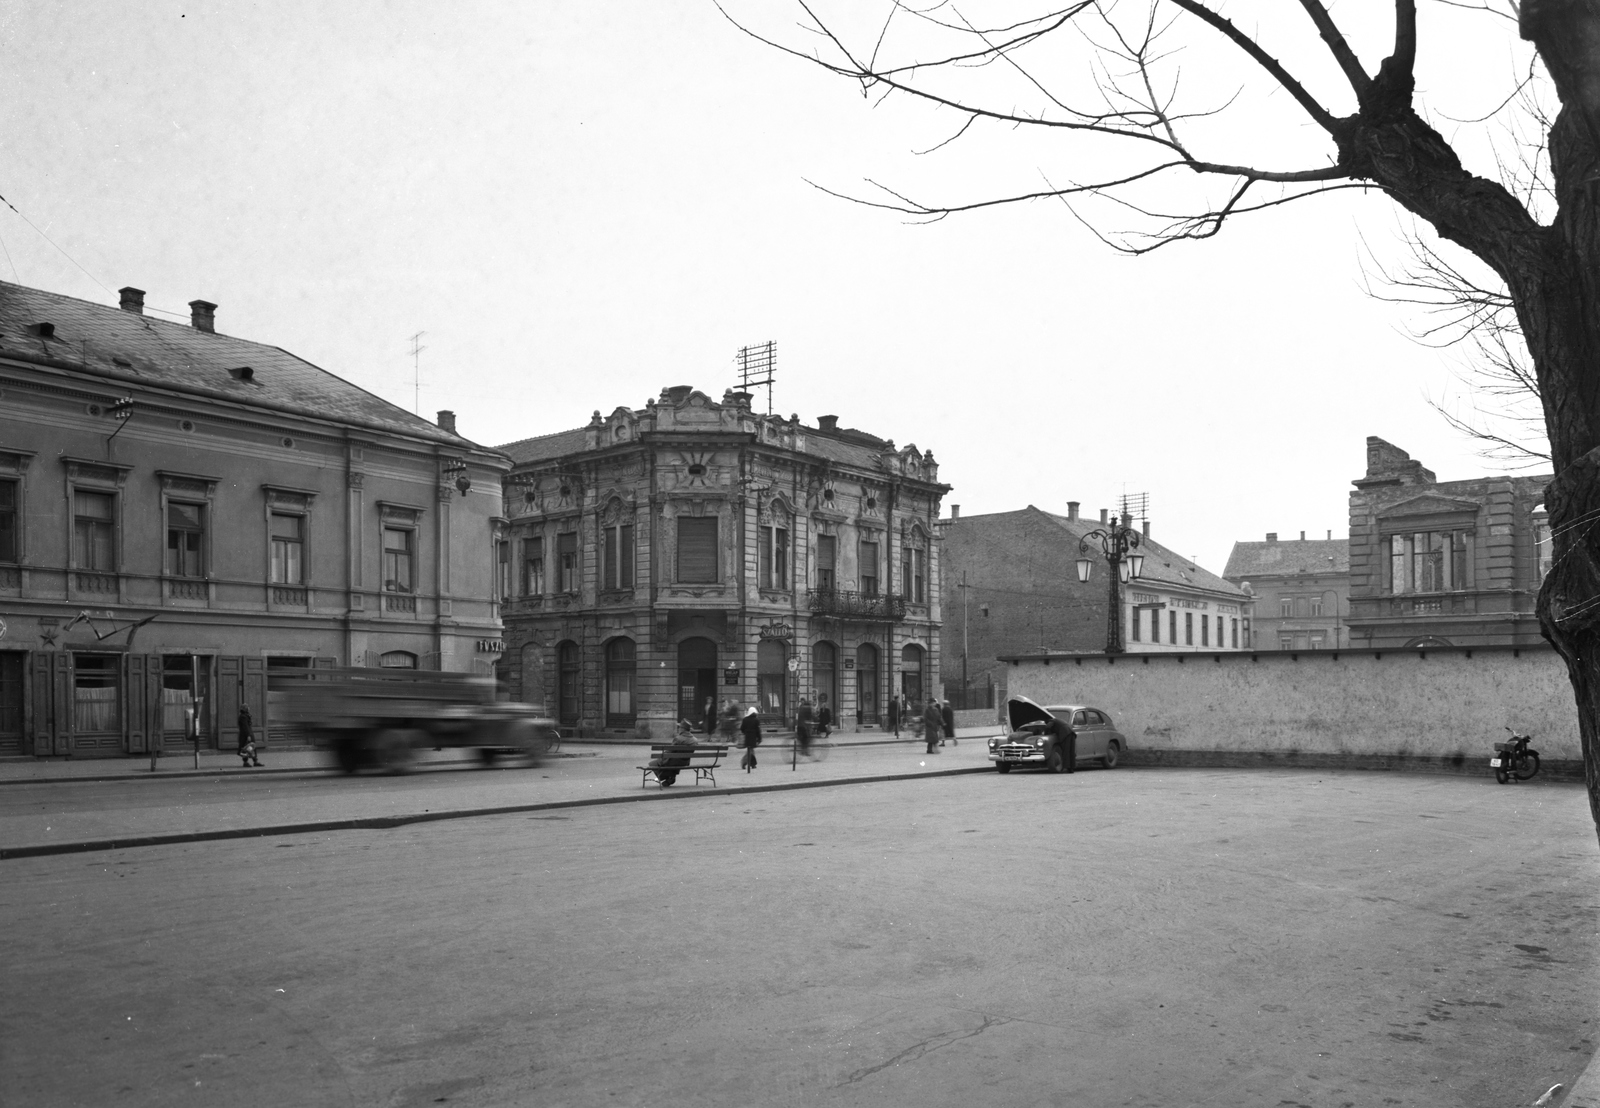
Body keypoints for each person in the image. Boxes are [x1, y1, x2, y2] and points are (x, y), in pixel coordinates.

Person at [739, 705, 763, 771]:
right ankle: (744, 762)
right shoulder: (756, 720)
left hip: (747, 737)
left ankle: (753, 764)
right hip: (753, 737)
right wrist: (759, 738)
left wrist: (745, 733)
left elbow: (742, 729)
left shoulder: (745, 719)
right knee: (750, 751)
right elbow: (758, 730)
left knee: (750, 750)